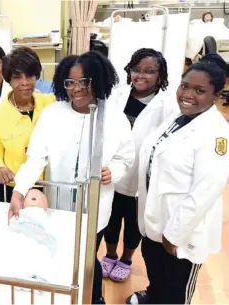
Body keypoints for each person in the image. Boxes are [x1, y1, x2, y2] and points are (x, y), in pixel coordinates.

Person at [9, 51, 135, 304]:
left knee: (88, 259)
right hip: (61, 204)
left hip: (96, 207)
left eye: (83, 81)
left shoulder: (114, 118)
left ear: (98, 80)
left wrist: (115, 171)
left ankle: (94, 299)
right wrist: (18, 191)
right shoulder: (53, 114)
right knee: (63, 255)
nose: (76, 89)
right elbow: (36, 157)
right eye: (69, 82)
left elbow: (126, 158)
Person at [126, 53, 229, 304]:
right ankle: (153, 296)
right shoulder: (178, 118)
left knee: (176, 287)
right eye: (185, 86)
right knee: (156, 269)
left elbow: (205, 193)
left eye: (199, 90)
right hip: (156, 220)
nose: (188, 94)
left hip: (182, 232)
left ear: (216, 96)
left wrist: (174, 233)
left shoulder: (216, 135)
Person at [101, 48, 177, 282]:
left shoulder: (168, 105)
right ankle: (111, 254)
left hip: (143, 177)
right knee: (111, 219)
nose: (141, 76)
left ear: (160, 75)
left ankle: (126, 258)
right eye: (136, 70)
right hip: (115, 171)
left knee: (134, 223)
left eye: (149, 71)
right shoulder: (118, 95)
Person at [0, 47, 56, 202]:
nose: (25, 83)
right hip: (14, 188)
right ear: (9, 80)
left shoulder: (50, 103)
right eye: (17, 77)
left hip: (49, 184)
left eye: (29, 75)